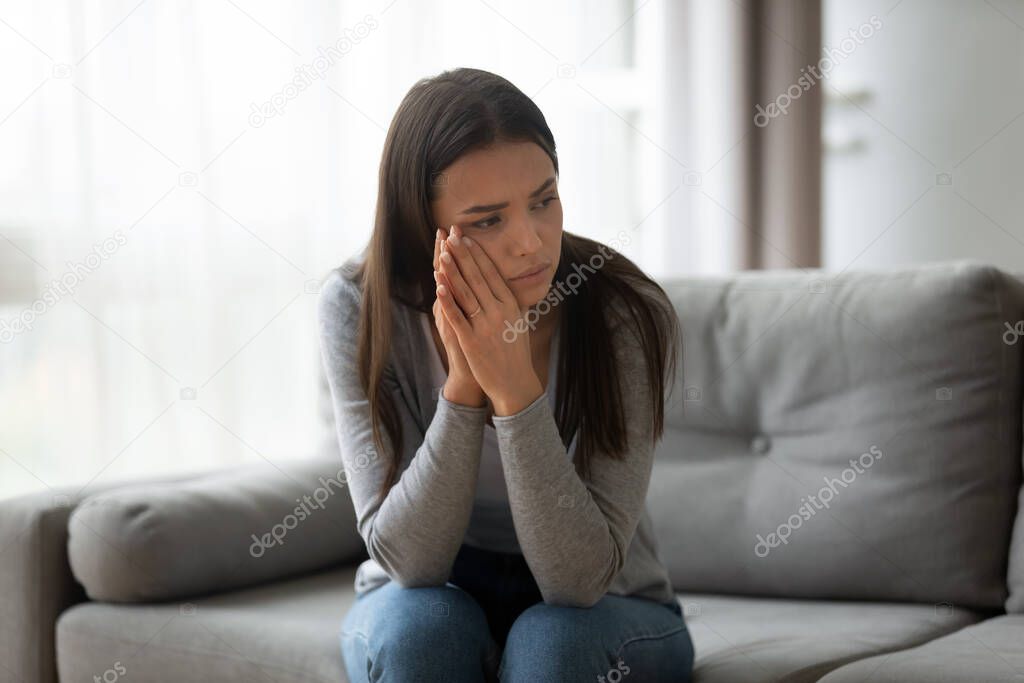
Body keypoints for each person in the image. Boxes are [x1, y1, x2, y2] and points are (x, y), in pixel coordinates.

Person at [317, 66, 694, 682]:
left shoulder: (623, 310)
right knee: (421, 636)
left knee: (555, 645)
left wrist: (515, 390)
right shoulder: (356, 310)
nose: (531, 242)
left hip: (605, 606)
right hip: (433, 592)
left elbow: (578, 583)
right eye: (488, 220)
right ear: (423, 227)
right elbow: (411, 562)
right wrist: (465, 386)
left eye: (544, 200)